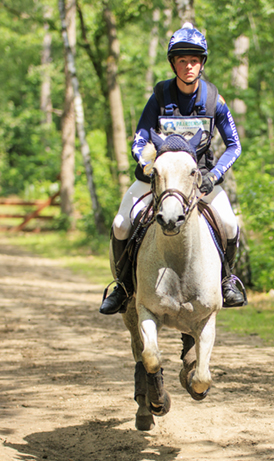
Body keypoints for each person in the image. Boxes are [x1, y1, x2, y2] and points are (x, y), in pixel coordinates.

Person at [99, 22, 245, 314]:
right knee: (120, 224)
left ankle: (226, 280)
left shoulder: (215, 100)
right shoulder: (160, 97)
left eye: (194, 60)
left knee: (229, 224)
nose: (188, 66)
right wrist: (147, 163)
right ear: (173, 64)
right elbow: (140, 138)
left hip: (200, 181)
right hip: (159, 180)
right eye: (182, 61)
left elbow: (234, 146)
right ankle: (123, 285)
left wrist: (214, 176)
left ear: (202, 64)